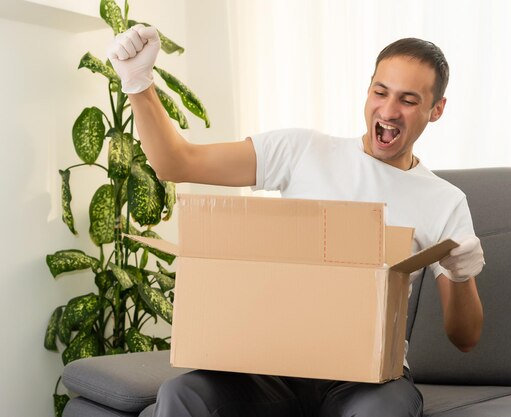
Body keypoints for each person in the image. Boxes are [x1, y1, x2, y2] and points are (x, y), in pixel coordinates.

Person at [107, 24, 485, 417]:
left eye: (408, 100)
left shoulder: (444, 201)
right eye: (380, 92)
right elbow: (176, 162)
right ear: (368, 89)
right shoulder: (302, 150)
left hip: (368, 380)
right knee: (182, 395)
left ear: (436, 109)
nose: (389, 111)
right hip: (273, 367)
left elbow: (466, 338)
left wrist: (461, 277)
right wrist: (138, 84)